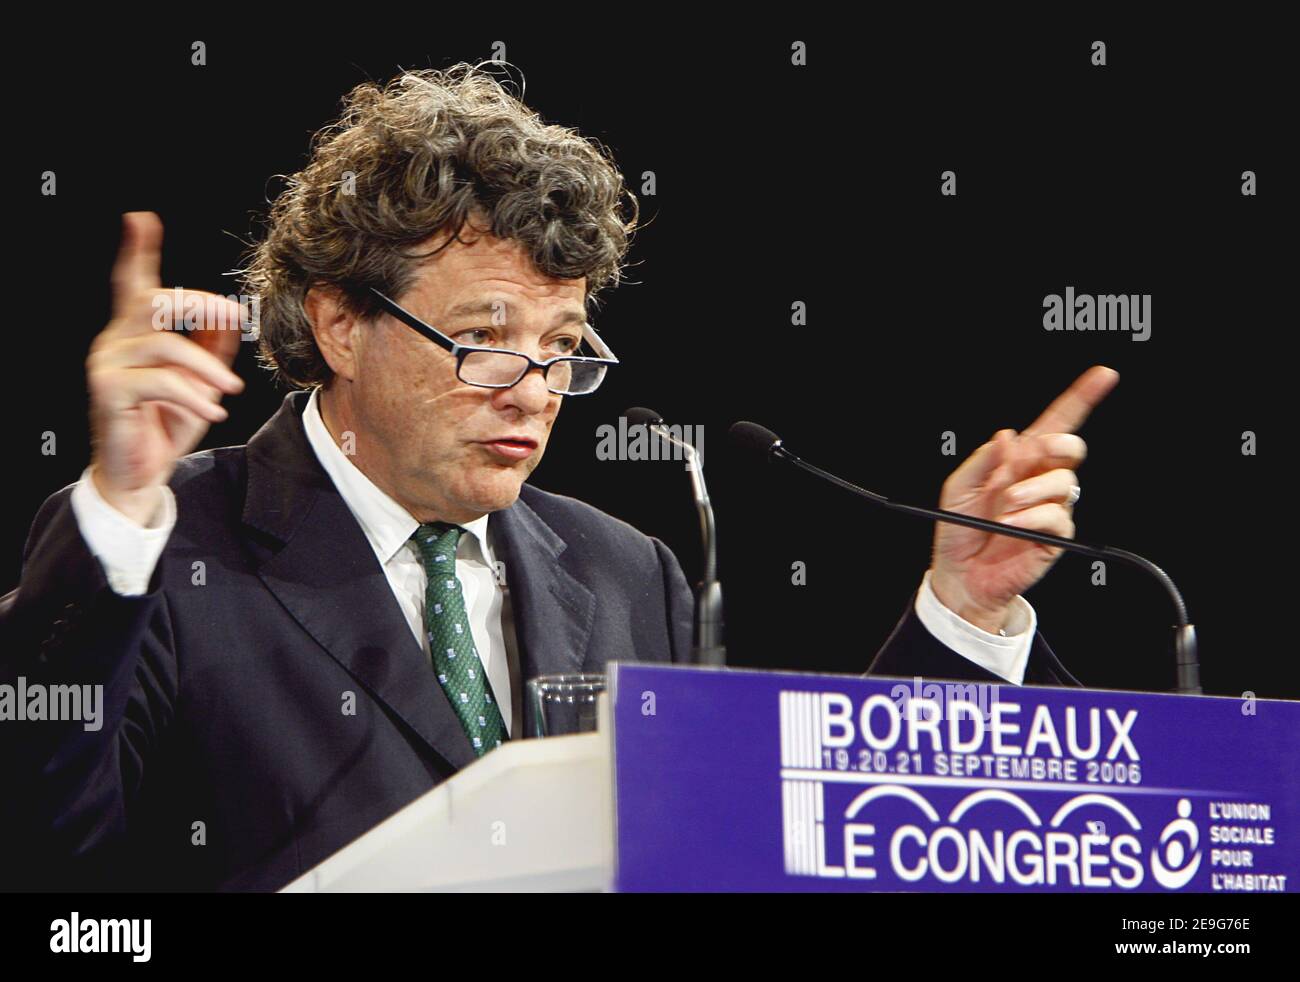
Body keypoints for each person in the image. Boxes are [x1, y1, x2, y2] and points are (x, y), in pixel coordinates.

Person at [0, 64, 1117, 891]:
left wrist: (963, 611)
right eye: (486, 336)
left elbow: (783, 849)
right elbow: (45, 853)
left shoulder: (625, 569)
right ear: (339, 324)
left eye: (563, 344)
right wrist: (119, 515)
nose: (533, 387)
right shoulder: (165, 543)